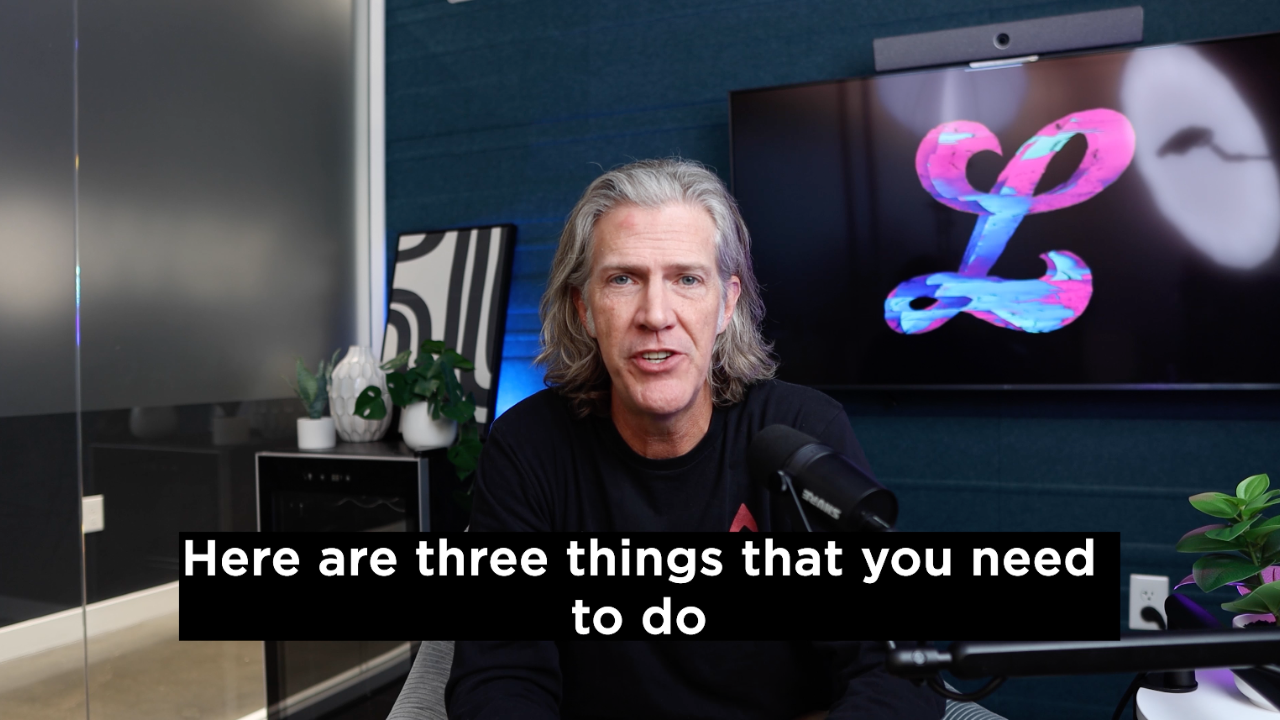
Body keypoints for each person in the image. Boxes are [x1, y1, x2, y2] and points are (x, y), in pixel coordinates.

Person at [444, 158, 944, 720]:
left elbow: (894, 671)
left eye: (686, 279)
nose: (656, 314)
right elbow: (499, 677)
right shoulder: (528, 448)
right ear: (584, 309)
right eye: (623, 279)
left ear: (727, 303)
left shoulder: (802, 436)